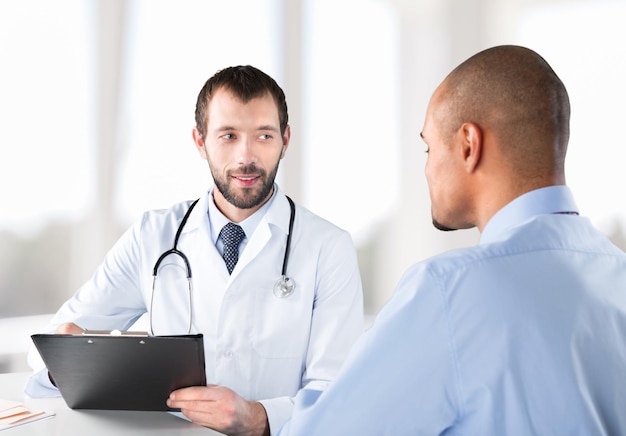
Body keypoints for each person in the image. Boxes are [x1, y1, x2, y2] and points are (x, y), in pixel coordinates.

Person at [277, 45, 626, 435]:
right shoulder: (618, 276)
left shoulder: (450, 290)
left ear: (468, 145)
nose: (426, 168)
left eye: (428, 147)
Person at [25, 65, 364, 436]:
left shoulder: (329, 248)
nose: (246, 156)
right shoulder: (152, 236)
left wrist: (259, 418)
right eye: (228, 135)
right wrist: (68, 359)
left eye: (263, 135)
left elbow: (337, 394)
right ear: (200, 141)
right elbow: (51, 344)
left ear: (285, 139)